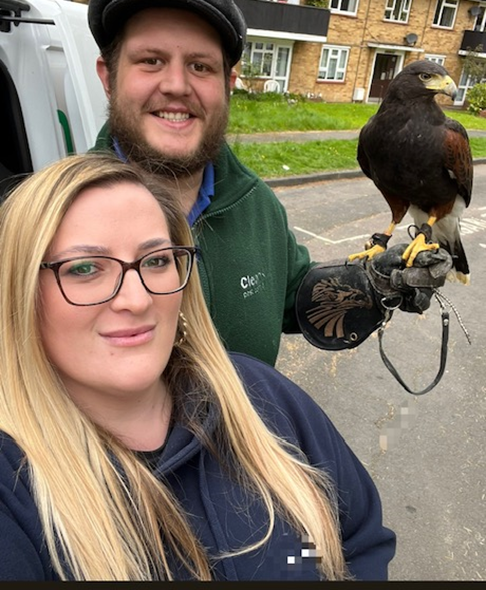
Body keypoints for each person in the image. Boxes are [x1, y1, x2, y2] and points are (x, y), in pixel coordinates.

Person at [0, 152, 395, 581]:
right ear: (21, 293)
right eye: (84, 268)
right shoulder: (14, 488)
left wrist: (370, 292)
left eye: (156, 261)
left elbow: (360, 540)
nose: (136, 299)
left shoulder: (261, 395)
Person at [87, 0, 452, 368]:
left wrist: (371, 285)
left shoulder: (257, 206)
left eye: (200, 66)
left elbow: (294, 299)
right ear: (108, 77)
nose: (176, 84)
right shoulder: (46, 223)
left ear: (228, 84)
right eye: (151, 60)